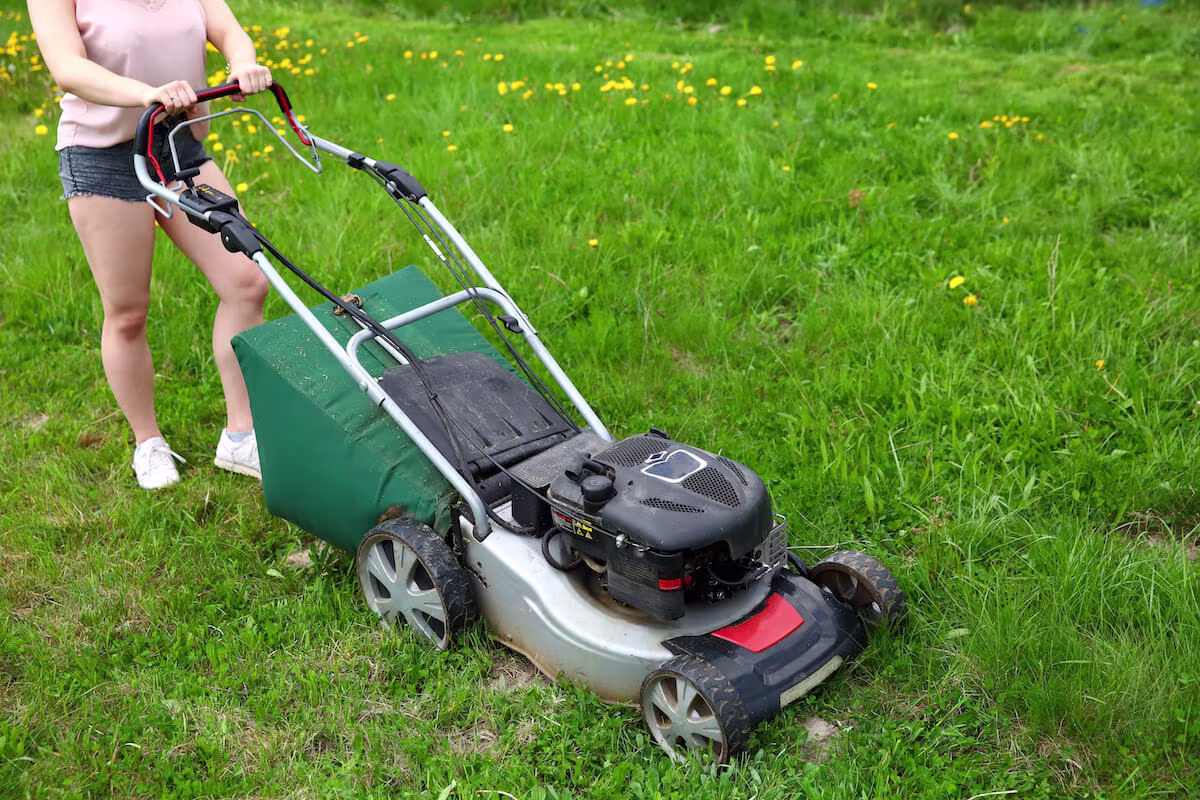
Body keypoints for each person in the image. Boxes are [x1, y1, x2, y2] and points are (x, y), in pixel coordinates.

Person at [28, 0, 273, 489]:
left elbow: (226, 28)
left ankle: (241, 436)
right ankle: (148, 441)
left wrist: (242, 61)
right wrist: (146, 93)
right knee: (127, 311)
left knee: (247, 281)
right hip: (103, 155)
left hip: (177, 145)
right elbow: (67, 68)